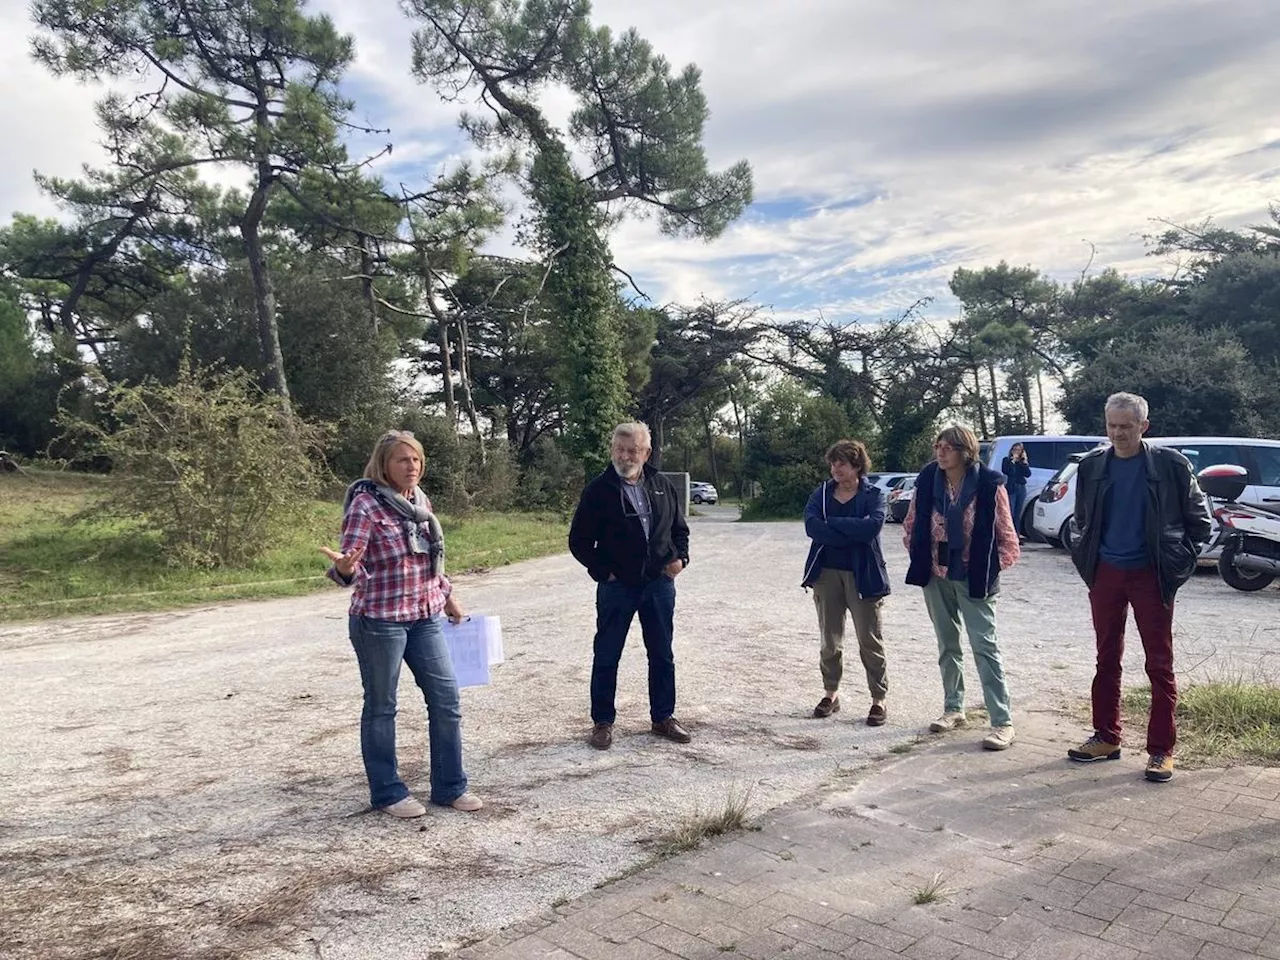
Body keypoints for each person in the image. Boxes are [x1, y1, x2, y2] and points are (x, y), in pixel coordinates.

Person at [321, 430, 482, 819]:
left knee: (446, 700)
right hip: (379, 621)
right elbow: (350, 563)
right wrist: (343, 568)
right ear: (384, 465)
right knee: (382, 706)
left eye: (416, 460)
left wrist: (448, 598)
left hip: (424, 616)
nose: (411, 467)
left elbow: (429, 561)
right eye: (402, 460)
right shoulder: (366, 505)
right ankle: (388, 792)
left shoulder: (420, 502)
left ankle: (449, 786)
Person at [1066, 393, 1211, 782]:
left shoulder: (1171, 465)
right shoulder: (1093, 465)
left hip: (1152, 575)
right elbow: (1081, 520)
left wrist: (1176, 565)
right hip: (1106, 574)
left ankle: (1161, 750)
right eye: (1111, 426)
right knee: (1105, 659)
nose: (1117, 434)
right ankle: (1107, 737)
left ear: (1144, 426)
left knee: (1159, 665)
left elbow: (1202, 524)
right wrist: (1089, 563)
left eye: (1126, 427)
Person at [568, 422, 691, 750]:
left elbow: (680, 530)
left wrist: (681, 560)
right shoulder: (598, 490)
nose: (625, 456)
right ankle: (602, 722)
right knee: (607, 654)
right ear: (612, 450)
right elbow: (579, 541)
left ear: (646, 452)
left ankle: (663, 717)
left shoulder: (663, 485)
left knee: (662, 653)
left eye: (633, 450)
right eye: (620, 450)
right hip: (617, 587)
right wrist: (603, 572)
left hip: (658, 586)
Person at [903, 424, 1021, 750]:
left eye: (948, 447)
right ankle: (953, 708)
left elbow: (1008, 538)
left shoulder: (988, 484)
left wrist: (987, 568)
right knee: (947, 645)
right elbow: (911, 525)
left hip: (975, 577)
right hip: (937, 575)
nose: (940, 452)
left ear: (965, 451)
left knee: (985, 648)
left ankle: (1002, 722)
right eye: (937, 445)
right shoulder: (928, 481)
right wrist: (921, 557)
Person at [801, 439, 891, 726]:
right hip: (826, 574)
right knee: (830, 638)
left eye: (841, 463)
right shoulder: (822, 494)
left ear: (856, 465)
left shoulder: (874, 495)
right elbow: (812, 527)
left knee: (869, 639)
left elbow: (872, 528)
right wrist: (851, 527)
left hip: (863, 575)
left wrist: (834, 525)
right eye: (833, 463)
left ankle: (878, 699)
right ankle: (831, 693)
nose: (835, 468)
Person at [1001, 442, 1032, 539]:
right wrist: (1013, 461)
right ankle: (1009, 535)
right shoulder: (1007, 460)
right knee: (1011, 512)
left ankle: (1016, 536)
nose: (1017, 452)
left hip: (1021, 487)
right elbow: (1007, 471)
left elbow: (1027, 474)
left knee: (1018, 513)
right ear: (1011, 450)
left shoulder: (1022, 462)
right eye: (1015, 450)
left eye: (1019, 450)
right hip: (1011, 487)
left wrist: (1025, 463)